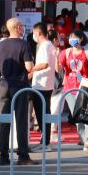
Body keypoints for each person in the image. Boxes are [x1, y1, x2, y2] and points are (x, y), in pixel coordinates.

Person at [0, 18, 35, 166]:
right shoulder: (24, 44)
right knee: (21, 120)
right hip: (19, 84)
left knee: (4, 120)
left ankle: (3, 156)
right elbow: (29, 67)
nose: (23, 28)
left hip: (4, 84)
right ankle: (23, 156)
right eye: (22, 26)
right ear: (17, 28)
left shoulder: (0, 44)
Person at [29, 22, 58, 150]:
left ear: (39, 33)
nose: (33, 35)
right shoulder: (48, 45)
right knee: (43, 113)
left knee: (42, 113)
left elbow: (44, 64)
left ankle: (45, 142)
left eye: (34, 33)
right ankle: (44, 140)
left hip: (42, 84)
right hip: (45, 83)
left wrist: (31, 70)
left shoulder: (45, 45)